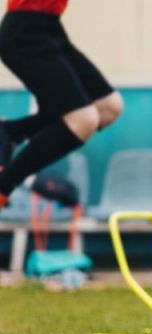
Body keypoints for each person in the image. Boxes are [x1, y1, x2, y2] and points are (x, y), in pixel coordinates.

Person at [0, 0, 123, 207]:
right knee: (84, 120)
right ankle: (4, 186)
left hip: (51, 27)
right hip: (23, 32)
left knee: (108, 107)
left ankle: (11, 131)